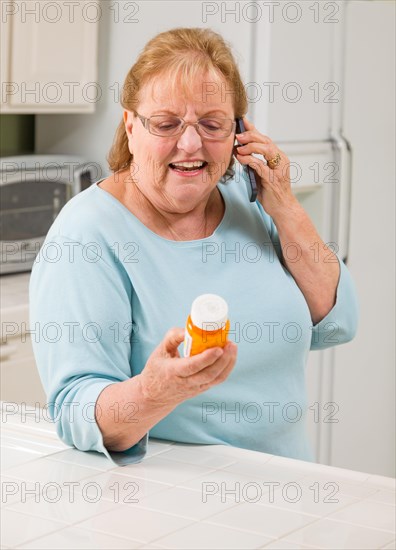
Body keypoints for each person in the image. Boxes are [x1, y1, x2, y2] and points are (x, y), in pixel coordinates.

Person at [29, 27, 358, 466]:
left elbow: (337, 323)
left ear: (239, 131)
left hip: (290, 495)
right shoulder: (86, 235)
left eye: (212, 123)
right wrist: (155, 393)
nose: (191, 143)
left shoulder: (251, 198)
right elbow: (75, 409)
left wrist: (286, 206)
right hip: (174, 512)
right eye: (166, 124)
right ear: (130, 126)